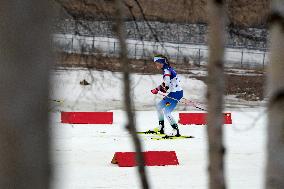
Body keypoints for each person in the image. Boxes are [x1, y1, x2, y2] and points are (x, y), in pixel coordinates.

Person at [150, 54, 183, 137]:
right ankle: (161, 127)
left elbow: (166, 83)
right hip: (173, 93)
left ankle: (175, 130)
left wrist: (159, 89)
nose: (156, 65)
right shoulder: (167, 69)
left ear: (161, 63)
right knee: (159, 107)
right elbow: (166, 84)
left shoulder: (167, 71)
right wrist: (158, 89)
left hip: (176, 94)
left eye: (157, 63)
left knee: (167, 111)